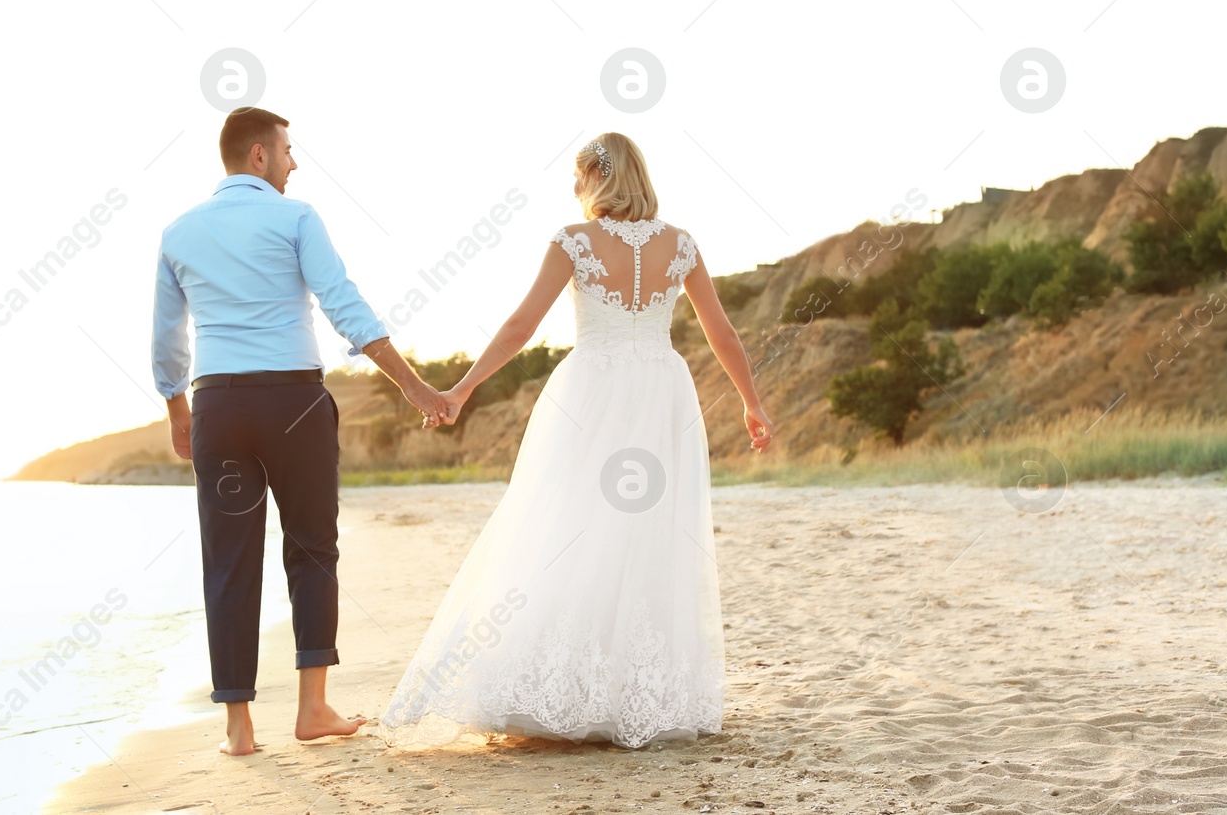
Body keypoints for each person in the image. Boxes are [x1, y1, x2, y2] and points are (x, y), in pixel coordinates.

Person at [379, 132, 774, 748]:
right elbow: (720, 330)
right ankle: (633, 694)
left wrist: (461, 388)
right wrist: (752, 402)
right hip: (663, 389)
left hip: (590, 391)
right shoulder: (682, 244)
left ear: (598, 174)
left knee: (563, 524)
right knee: (646, 533)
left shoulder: (575, 241)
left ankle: (559, 685)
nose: (572, 187)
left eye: (577, 174)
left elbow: (519, 326)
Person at [152, 106, 452, 756]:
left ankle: (238, 727)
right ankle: (312, 707)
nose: (294, 162)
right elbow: (344, 303)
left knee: (228, 560)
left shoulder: (178, 231)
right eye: (288, 149)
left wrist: (179, 412)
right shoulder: (295, 216)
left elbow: (167, 336)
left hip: (220, 408)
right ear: (259, 155)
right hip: (292, 404)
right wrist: (414, 385)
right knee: (312, 547)